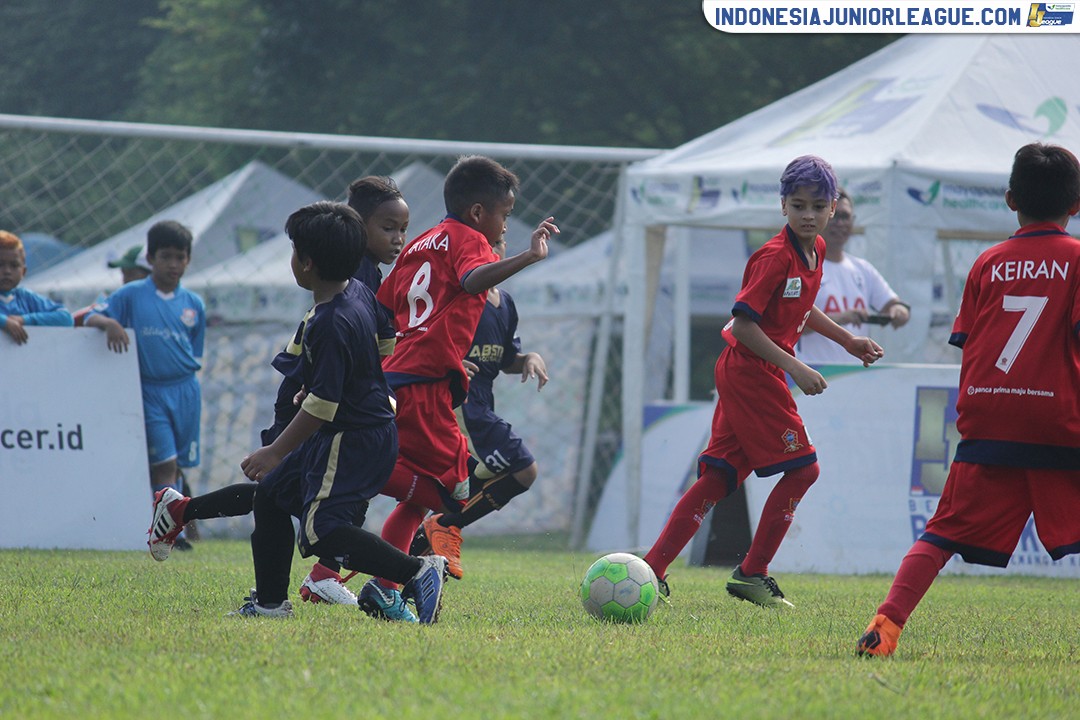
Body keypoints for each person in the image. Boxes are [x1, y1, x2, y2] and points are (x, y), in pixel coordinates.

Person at [148, 178, 415, 616]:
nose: (398, 238)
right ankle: (297, 588)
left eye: (402, 228)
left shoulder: (354, 285)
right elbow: (367, 345)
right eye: (389, 228)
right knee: (278, 492)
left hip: (331, 409)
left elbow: (374, 343)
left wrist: (353, 383)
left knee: (288, 501)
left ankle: (192, 520)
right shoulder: (358, 278)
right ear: (357, 226)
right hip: (314, 407)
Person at [856, 143, 1080, 657]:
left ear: (1010, 200)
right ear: (1076, 204)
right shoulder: (1076, 261)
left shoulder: (987, 263)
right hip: (1058, 417)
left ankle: (883, 629)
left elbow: (970, 341)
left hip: (989, 416)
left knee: (940, 534)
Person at [642, 156, 884, 608]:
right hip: (751, 372)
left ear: (832, 208)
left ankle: (651, 569)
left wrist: (848, 340)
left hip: (751, 371)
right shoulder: (774, 256)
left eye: (818, 206)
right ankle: (752, 572)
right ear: (783, 206)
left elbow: (802, 306)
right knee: (804, 469)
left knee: (720, 476)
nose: (808, 215)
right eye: (799, 205)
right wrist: (795, 367)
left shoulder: (815, 251)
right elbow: (743, 325)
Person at [222, 201, 446, 621]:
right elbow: (386, 339)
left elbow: (322, 408)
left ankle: (416, 571)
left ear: (306, 263)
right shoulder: (357, 292)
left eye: (293, 250)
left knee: (322, 532)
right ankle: (270, 604)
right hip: (363, 430)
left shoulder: (328, 321)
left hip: (350, 439)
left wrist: (275, 451)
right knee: (272, 496)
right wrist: (350, 380)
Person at [368, 155, 556, 599]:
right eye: (504, 216)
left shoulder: (421, 243)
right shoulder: (468, 239)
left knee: (419, 496)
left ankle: (382, 586)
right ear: (477, 213)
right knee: (452, 492)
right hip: (426, 385)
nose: (505, 227)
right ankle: (351, 474)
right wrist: (530, 256)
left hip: (398, 377)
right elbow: (472, 280)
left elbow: (383, 308)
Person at [411, 234, 548, 554]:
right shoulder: (458, 297)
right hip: (458, 404)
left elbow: (506, 361)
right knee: (523, 467)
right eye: (482, 243)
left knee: (451, 490)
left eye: (498, 241)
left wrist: (529, 358)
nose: (491, 249)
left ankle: (418, 553)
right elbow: (419, 342)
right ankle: (442, 527)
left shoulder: (505, 304)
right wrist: (450, 362)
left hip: (482, 403)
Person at [86, 220, 206, 552]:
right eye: (165, 256)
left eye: (180, 257)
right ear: (151, 259)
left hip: (186, 390)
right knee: (164, 463)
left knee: (178, 464)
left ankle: (172, 527)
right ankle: (170, 534)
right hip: (151, 391)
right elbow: (89, 316)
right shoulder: (131, 295)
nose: (173, 264)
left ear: (188, 260)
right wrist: (109, 324)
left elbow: (194, 352)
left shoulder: (194, 304)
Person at [795, 190, 910, 364]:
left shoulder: (862, 269)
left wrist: (898, 312)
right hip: (813, 370)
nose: (840, 223)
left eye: (845, 217)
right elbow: (792, 323)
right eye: (834, 216)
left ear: (853, 221)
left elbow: (896, 306)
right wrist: (842, 318)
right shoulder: (803, 266)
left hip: (857, 372)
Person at [0, 230, 73, 343]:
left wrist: (24, 320)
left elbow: (66, 319)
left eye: (14, 265)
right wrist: (5, 322)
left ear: (23, 272)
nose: (7, 271)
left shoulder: (26, 297)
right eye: (0, 264)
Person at [72, 245, 152, 327]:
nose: (124, 280)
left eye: (130, 274)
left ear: (151, 274)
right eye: (123, 273)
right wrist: (109, 323)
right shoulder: (120, 301)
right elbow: (87, 317)